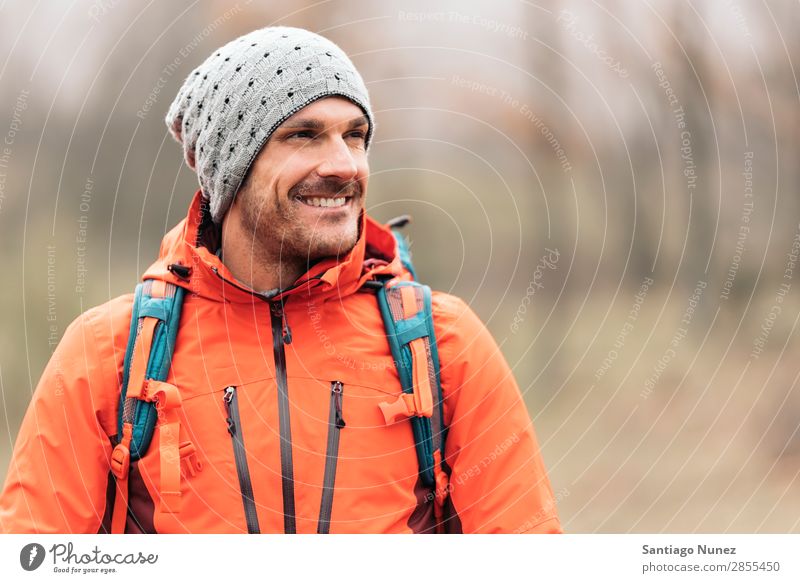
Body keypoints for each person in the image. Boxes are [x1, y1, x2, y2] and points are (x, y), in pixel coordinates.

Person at [0, 26, 561, 534]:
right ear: (229, 168)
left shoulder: (443, 345)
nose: (344, 164)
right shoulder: (109, 356)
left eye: (356, 135)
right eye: (304, 135)